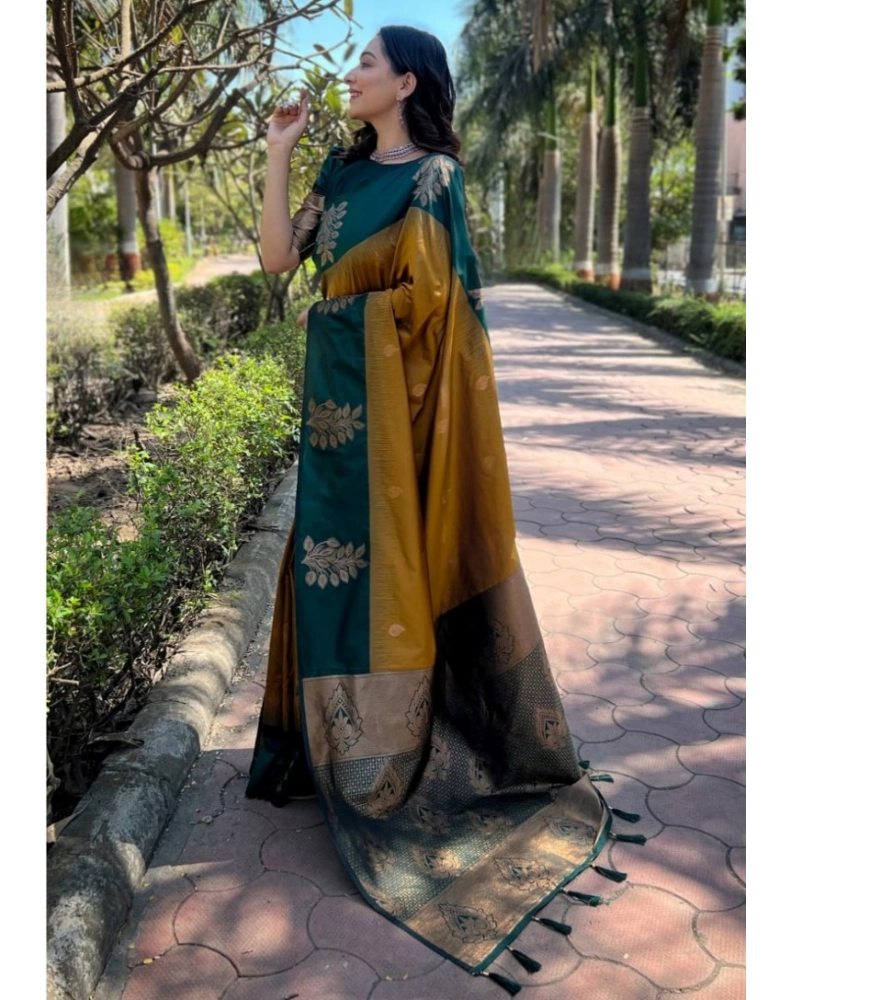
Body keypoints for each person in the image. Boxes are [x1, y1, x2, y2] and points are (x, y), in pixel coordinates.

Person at [246, 25, 629, 993]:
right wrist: (280, 153)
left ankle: (387, 756)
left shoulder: (434, 180)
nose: (350, 75)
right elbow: (278, 261)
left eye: (366, 63)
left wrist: (351, 318)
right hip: (336, 414)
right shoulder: (340, 172)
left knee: (391, 574)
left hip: (399, 422)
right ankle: (329, 746)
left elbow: (443, 315)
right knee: (323, 566)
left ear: (407, 82)